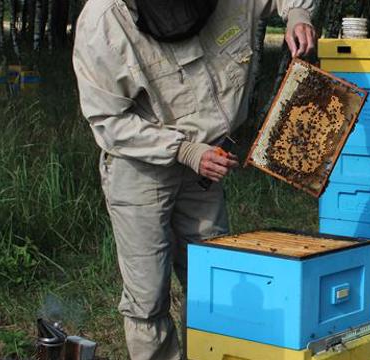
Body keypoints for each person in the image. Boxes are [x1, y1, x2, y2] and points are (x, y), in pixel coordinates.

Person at [72, 0, 315, 358]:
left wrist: (298, 14)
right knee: (148, 297)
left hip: (207, 163)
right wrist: (186, 151)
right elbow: (108, 120)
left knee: (210, 278)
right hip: (139, 166)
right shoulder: (103, 21)